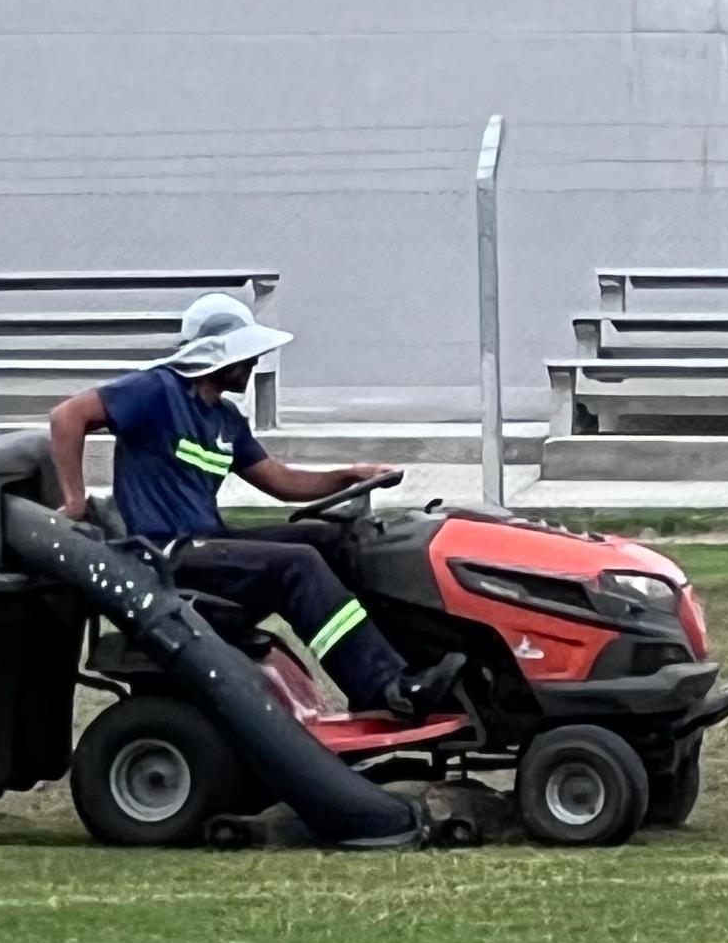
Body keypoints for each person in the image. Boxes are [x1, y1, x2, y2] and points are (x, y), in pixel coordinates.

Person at [46, 294, 468, 723]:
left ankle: (406, 668)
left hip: (207, 542)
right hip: (167, 554)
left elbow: (281, 482)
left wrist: (346, 475)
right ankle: (384, 688)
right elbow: (67, 417)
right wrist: (76, 500)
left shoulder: (226, 419)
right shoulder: (156, 391)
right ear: (219, 356)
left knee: (339, 541)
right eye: (246, 355)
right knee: (298, 565)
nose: (254, 364)